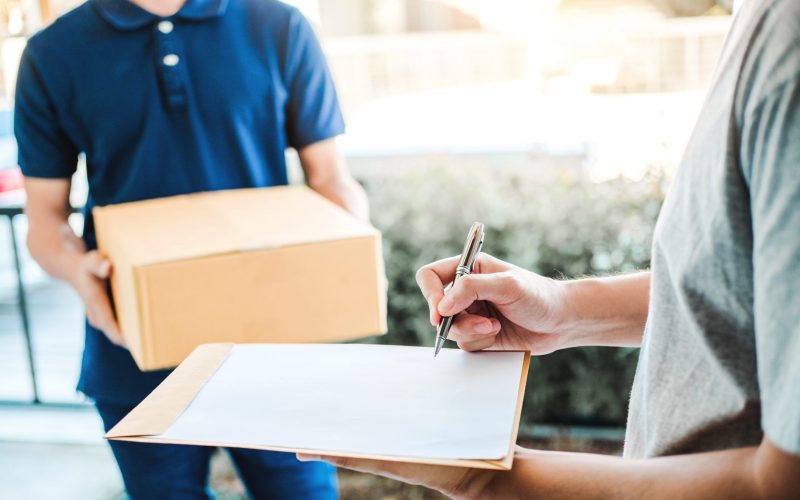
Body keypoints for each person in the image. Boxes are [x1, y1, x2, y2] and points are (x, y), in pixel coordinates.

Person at [297, 0, 800, 497]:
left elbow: (781, 483)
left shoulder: (788, 35)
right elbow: (741, 287)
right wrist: (565, 311)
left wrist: (483, 477)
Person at [16, 0, 366, 497]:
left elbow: (332, 181)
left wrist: (346, 264)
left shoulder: (279, 26)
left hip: (273, 346)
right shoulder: (53, 51)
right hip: (135, 350)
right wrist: (77, 270)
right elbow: (44, 221)